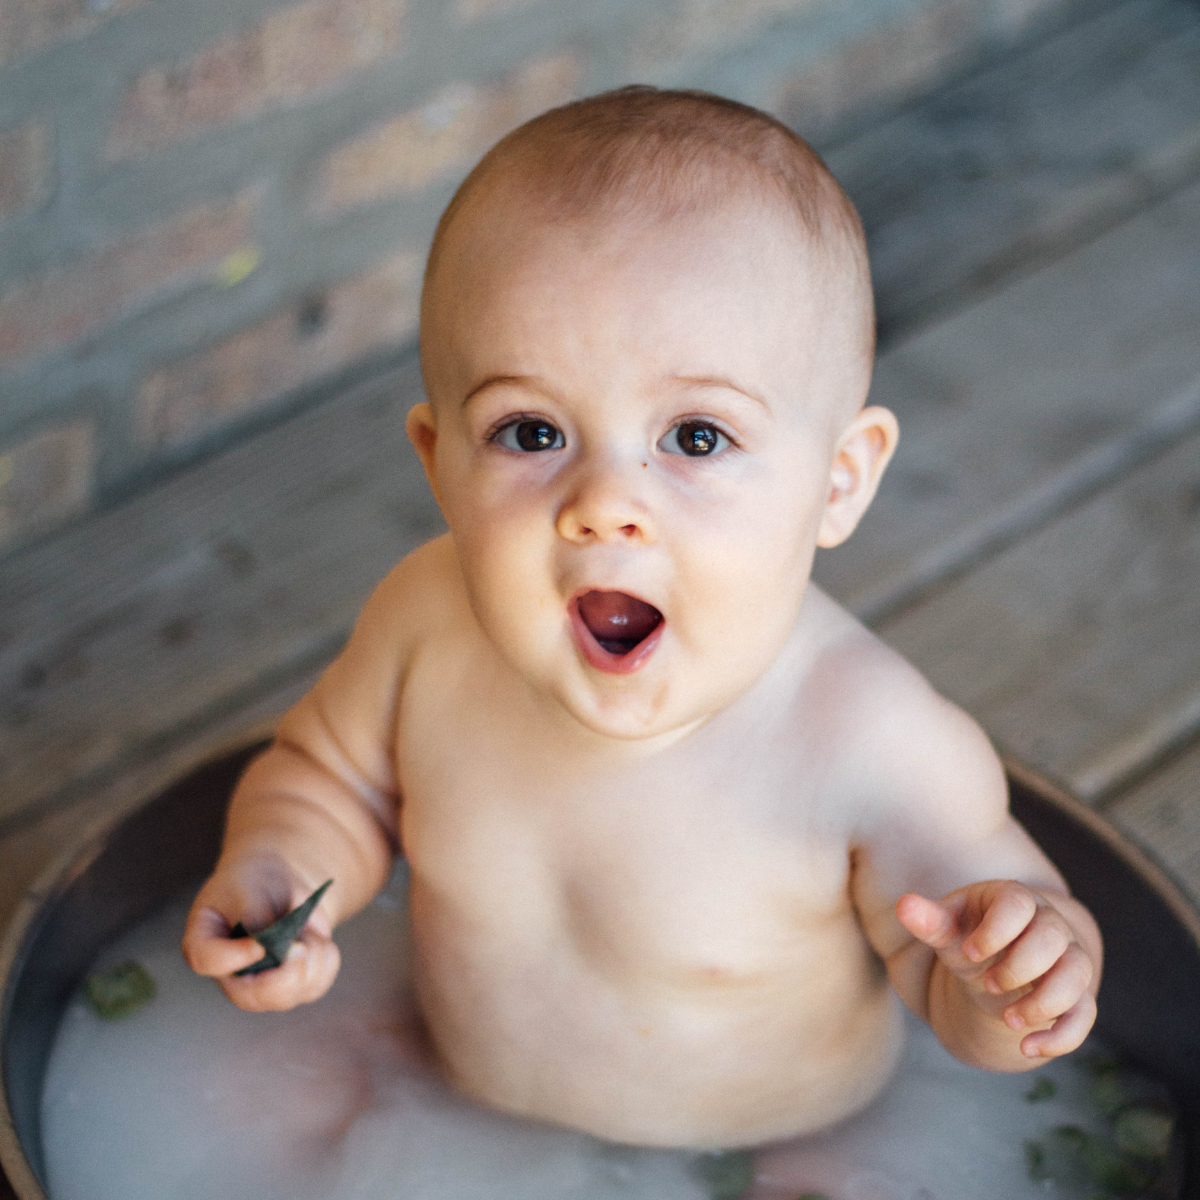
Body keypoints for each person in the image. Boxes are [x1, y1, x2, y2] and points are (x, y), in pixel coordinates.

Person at [183, 86, 1102, 1150]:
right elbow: (325, 779)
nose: (605, 504)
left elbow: (961, 988)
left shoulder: (871, 741)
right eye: (530, 432)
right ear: (439, 465)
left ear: (839, 480)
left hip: (784, 1152)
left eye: (697, 438)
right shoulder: (424, 629)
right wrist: (280, 872)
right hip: (450, 1113)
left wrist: (1018, 986)